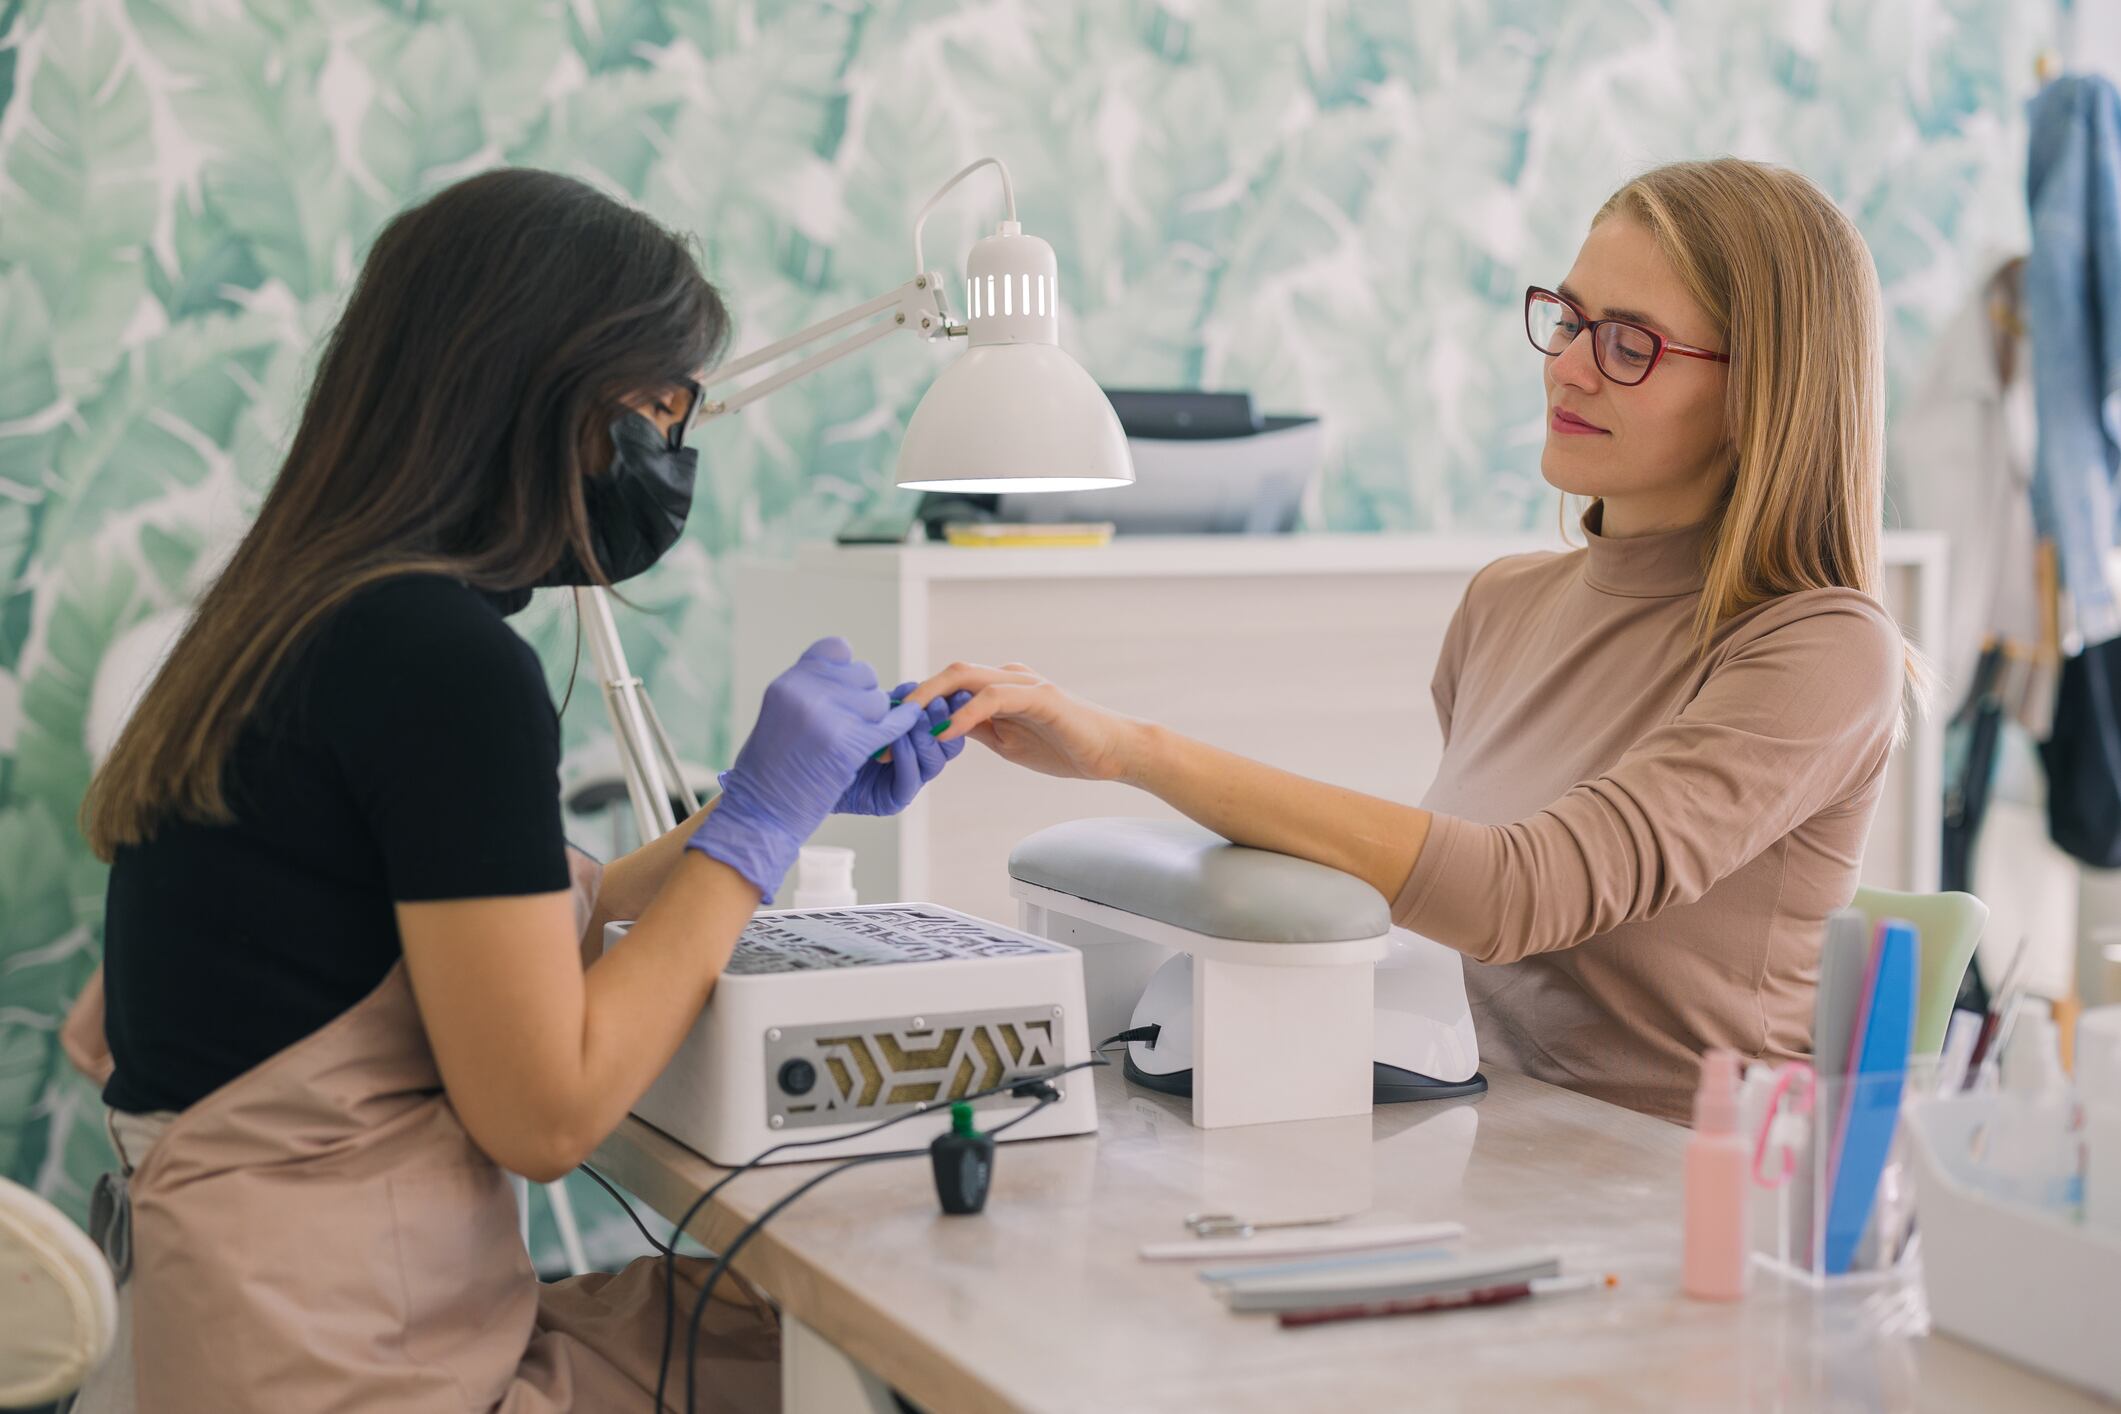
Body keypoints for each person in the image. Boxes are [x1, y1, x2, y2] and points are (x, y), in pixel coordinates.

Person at [72, 167, 966, 1411]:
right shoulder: (441, 667)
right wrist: (756, 826)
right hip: (355, 1375)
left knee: (826, 1334)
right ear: (544, 394)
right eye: (658, 412)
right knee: (894, 1362)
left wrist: (779, 805)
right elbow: (545, 1118)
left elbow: (466, 925)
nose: (669, 453)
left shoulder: (296, 618)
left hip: (238, 1329)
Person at [908, 158, 1920, 1124]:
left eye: (1628, 342)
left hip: (1669, 1200)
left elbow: (1517, 893)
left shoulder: (1821, 650)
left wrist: (1131, 751)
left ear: (1761, 394)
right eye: (1567, 319)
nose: (1566, 366)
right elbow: (1460, 926)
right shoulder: (1506, 605)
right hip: (1468, 1131)